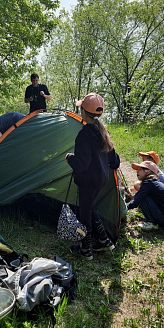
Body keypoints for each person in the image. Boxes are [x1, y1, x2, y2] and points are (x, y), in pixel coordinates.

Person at [65, 93, 120, 260]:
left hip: (89, 180)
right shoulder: (102, 131)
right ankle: (104, 240)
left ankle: (86, 249)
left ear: (83, 111)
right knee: (89, 207)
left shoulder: (84, 134)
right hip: (101, 179)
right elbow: (115, 161)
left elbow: (81, 165)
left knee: (84, 213)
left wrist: (69, 158)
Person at [126, 161, 164, 231]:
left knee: (143, 197)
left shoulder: (148, 183)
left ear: (147, 171)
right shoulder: (153, 183)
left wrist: (123, 208)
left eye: (140, 169)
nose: (137, 172)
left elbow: (136, 202)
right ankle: (155, 221)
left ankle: (152, 223)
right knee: (142, 195)